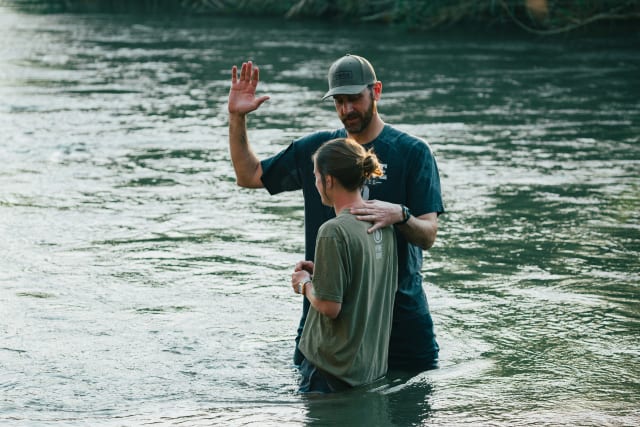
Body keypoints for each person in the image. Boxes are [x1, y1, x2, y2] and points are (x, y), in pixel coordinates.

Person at [227, 54, 445, 371]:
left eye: (354, 99)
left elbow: (428, 235)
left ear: (377, 91)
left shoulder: (412, 152)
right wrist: (237, 117)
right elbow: (249, 175)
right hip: (328, 321)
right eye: (339, 101)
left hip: (400, 319)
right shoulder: (319, 151)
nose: (346, 110)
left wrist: (400, 214)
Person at [290, 137, 397, 393]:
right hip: (369, 369)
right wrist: (325, 272)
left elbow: (329, 306)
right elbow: (368, 279)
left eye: (316, 176)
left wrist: (304, 284)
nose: (315, 183)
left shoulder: (332, 231)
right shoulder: (383, 224)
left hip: (329, 371)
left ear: (328, 180)